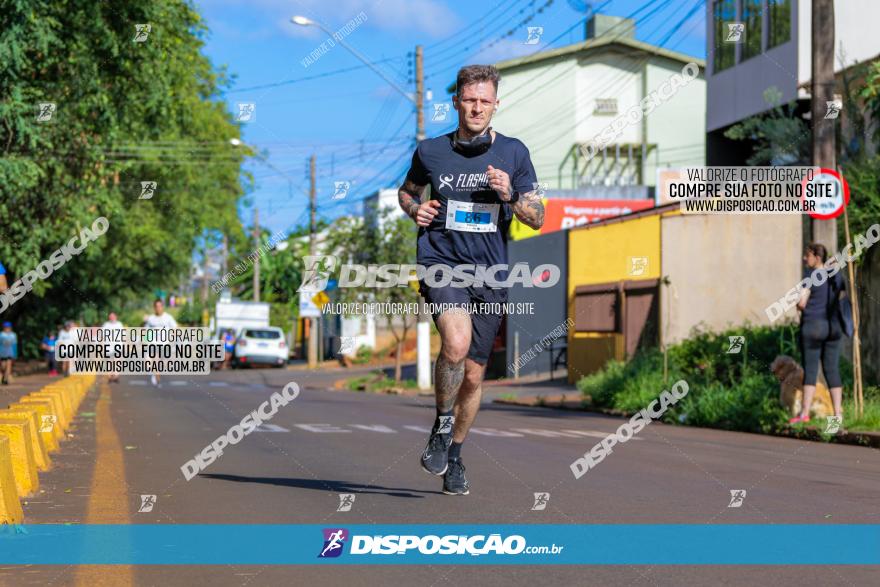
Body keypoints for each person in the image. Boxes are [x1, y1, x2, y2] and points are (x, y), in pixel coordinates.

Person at [397, 64, 544, 495]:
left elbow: (537, 218)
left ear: (496, 104)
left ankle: (455, 455)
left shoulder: (514, 153)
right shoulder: (431, 151)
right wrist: (414, 209)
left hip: (490, 272)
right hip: (442, 261)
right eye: (470, 99)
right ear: (456, 102)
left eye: (485, 100)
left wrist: (510, 195)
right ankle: (441, 427)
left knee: (475, 376)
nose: (477, 107)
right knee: (456, 344)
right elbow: (407, 190)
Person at [792, 243, 846, 425]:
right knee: (832, 370)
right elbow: (842, 297)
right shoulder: (836, 276)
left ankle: (804, 414)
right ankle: (837, 415)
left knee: (811, 371)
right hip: (833, 327)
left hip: (813, 327)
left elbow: (801, 303)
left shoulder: (810, 277)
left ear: (817, 257)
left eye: (807, 255)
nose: (804, 259)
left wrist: (798, 304)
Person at [144, 299, 177, 386]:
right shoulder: (151, 319)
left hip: (164, 344)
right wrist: (146, 341)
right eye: (156, 306)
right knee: (150, 361)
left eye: (160, 306)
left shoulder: (168, 317)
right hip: (153, 344)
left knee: (163, 364)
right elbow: (146, 331)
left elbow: (175, 328)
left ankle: (156, 373)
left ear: (162, 307)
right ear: (154, 307)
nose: (158, 308)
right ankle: (155, 374)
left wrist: (172, 338)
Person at [102, 311, 124, 383]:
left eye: (113, 316)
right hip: (108, 346)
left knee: (117, 361)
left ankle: (116, 376)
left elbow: (123, 335)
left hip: (118, 346)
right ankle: (110, 377)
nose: (112, 318)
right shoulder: (106, 325)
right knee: (109, 362)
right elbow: (102, 336)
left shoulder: (119, 324)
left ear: (116, 317)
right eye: (110, 316)